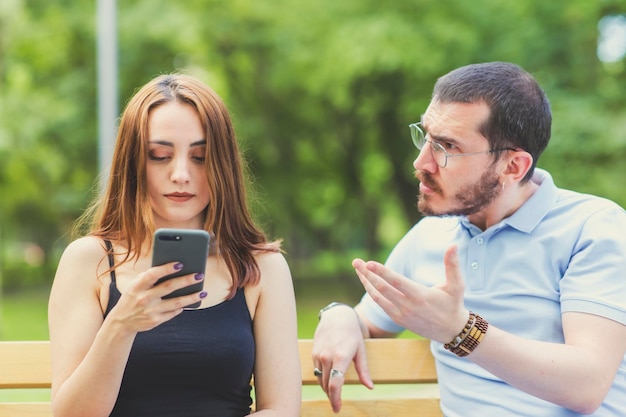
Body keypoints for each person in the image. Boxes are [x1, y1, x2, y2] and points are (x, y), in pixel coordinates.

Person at [312, 62, 626, 416]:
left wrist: (460, 330)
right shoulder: (432, 234)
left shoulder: (594, 227)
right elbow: (366, 320)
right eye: (426, 137)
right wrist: (338, 315)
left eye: (446, 147)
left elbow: (587, 384)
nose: (421, 162)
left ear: (513, 167)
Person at [48, 73, 301, 417]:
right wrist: (121, 325)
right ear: (134, 163)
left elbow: (282, 410)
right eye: (159, 155)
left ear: (223, 165)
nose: (181, 173)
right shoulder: (89, 261)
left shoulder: (262, 267)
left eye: (200, 157)